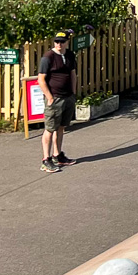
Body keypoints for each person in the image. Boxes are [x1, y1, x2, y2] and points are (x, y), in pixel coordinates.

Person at [37, 30, 78, 172]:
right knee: (50, 129)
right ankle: (45, 159)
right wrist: (49, 97)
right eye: (57, 42)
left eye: (62, 42)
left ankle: (57, 155)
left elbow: (72, 74)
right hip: (55, 98)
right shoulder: (48, 57)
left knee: (61, 127)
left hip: (68, 97)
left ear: (67, 42)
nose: (59, 44)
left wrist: (73, 92)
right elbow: (41, 79)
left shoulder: (70, 55)